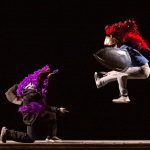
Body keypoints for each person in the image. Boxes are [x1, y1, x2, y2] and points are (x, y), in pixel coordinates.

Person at [1, 65, 68, 143]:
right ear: (40, 79)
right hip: (31, 116)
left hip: (36, 113)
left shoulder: (31, 84)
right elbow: (44, 106)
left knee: (51, 116)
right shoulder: (33, 93)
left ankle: (51, 136)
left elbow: (42, 76)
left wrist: (48, 75)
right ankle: (7, 133)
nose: (46, 81)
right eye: (45, 79)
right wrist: (58, 109)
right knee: (30, 138)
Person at [94, 19, 150, 103]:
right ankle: (100, 82)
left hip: (143, 69)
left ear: (115, 39)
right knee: (119, 74)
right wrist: (111, 72)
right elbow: (124, 67)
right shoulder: (120, 48)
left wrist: (113, 71)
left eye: (110, 37)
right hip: (141, 69)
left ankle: (124, 96)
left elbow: (123, 68)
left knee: (120, 73)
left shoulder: (123, 49)